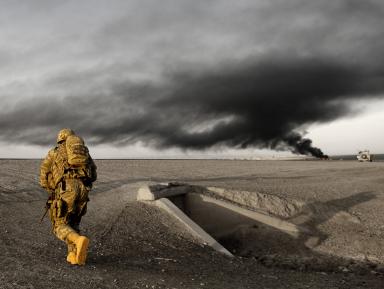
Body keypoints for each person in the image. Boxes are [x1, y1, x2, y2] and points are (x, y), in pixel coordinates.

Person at [39, 128, 97, 265]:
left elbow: (43, 174)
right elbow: (93, 175)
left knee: (59, 225)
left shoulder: (54, 152)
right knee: (73, 223)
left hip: (66, 189)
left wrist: (51, 189)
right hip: (83, 189)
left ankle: (78, 241)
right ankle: (74, 256)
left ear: (60, 139)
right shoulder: (85, 154)